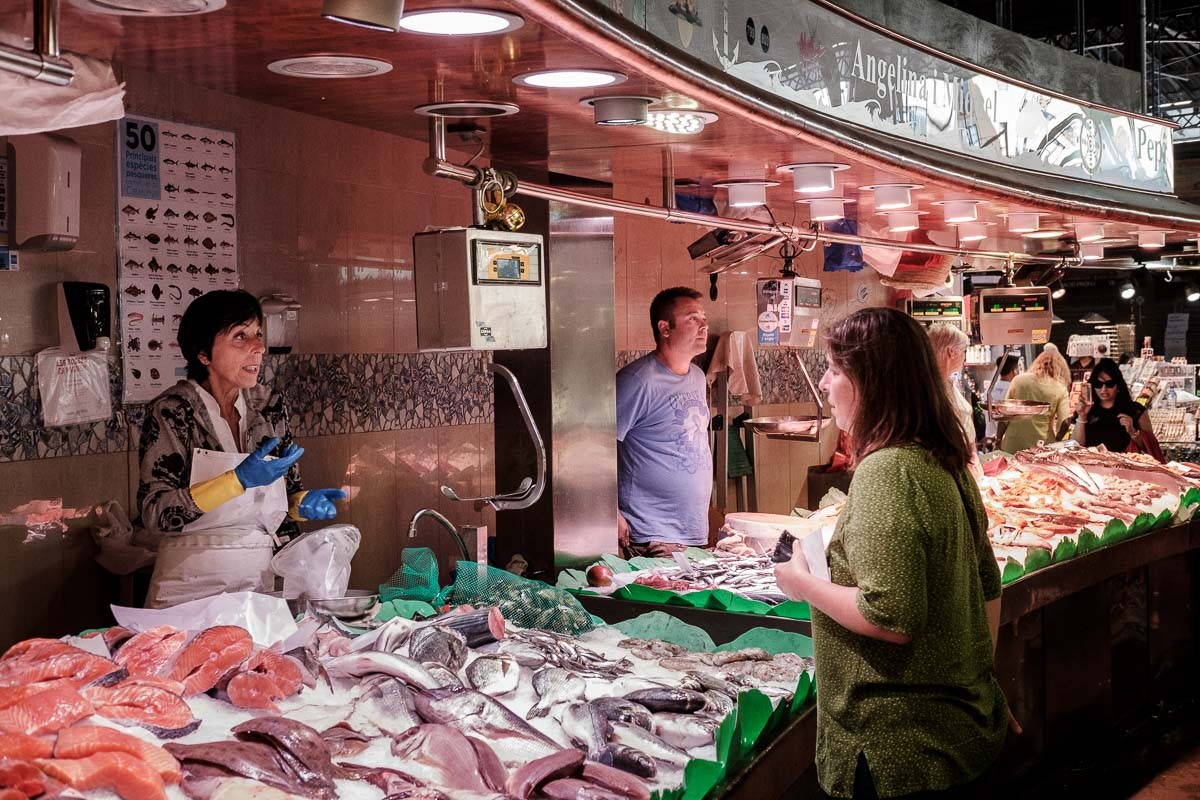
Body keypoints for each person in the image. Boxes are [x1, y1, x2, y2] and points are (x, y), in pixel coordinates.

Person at [774, 308, 1008, 799]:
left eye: (835, 370)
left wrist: (800, 583)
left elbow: (891, 617)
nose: (825, 380)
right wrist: (981, 685)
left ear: (870, 381)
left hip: (898, 752)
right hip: (958, 734)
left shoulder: (889, 470)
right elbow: (989, 584)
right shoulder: (943, 460)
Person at [138, 290, 347, 608]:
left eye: (258, 335)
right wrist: (236, 481)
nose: (258, 348)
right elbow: (156, 513)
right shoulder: (173, 411)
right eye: (240, 336)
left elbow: (285, 497)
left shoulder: (269, 406)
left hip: (256, 588)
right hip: (187, 594)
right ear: (203, 353)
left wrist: (301, 505)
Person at [616, 286, 712, 558]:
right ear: (665, 328)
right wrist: (610, 514)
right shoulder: (638, 381)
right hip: (651, 534)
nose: (704, 325)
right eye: (693, 318)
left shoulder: (697, 376)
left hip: (692, 531)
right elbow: (594, 448)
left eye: (704, 318)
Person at [1071, 357, 1164, 461]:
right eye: (1098, 384)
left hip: (1127, 470)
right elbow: (1075, 447)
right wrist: (1082, 416)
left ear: (1118, 385)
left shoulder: (1135, 411)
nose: (1103, 389)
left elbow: (1151, 447)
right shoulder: (1088, 410)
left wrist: (1133, 432)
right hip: (1092, 469)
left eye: (1109, 384)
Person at [925, 323, 981, 476]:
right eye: (964, 351)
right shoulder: (931, 386)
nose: (964, 357)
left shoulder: (945, 381)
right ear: (951, 352)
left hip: (962, 463)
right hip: (949, 468)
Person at [997, 350, 1071, 453]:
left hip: (1012, 445)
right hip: (1042, 447)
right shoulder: (1060, 389)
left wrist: (998, 440)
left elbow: (1004, 414)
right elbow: (1065, 421)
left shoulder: (1019, 380)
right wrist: (1057, 440)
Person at [984, 354, 1019, 442]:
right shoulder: (1014, 390)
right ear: (1014, 371)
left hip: (989, 439)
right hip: (1006, 441)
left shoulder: (988, 390)